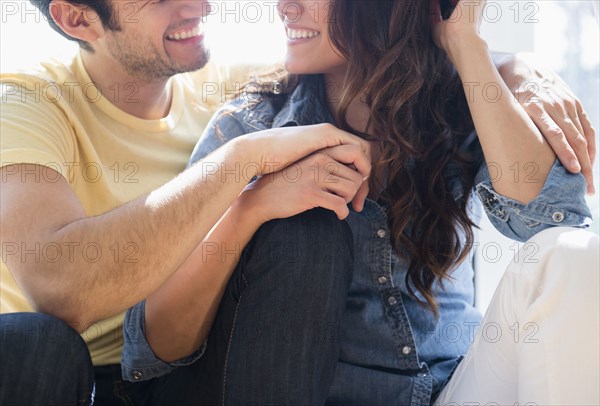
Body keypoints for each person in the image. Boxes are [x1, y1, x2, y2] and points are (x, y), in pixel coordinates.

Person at [0, 0, 594, 405]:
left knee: (576, 258)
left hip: (451, 386)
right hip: (305, 384)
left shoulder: (458, 99)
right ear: (78, 18)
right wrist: (250, 197)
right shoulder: (254, 118)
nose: (282, 5)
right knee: (301, 233)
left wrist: (476, 48)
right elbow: (139, 341)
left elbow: (551, 222)